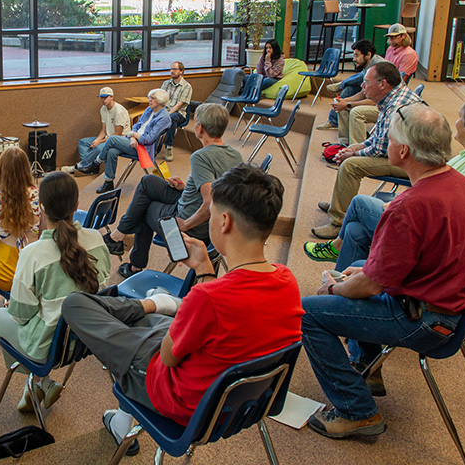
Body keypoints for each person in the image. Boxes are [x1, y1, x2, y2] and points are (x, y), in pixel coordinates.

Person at [62, 164, 303, 455]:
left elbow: (168, 356)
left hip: (179, 399)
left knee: (75, 305)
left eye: (211, 213)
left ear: (224, 221)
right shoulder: (287, 281)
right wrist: (204, 268)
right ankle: (149, 306)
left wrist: (197, 295)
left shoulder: (208, 298)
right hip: (242, 402)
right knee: (154, 319)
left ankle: (141, 312)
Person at [301, 103, 465, 439]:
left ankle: (356, 411)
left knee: (308, 312)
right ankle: (366, 366)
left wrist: (334, 288)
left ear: (403, 150)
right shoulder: (462, 185)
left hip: (426, 320)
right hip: (449, 305)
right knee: (357, 262)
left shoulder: (408, 207)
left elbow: (373, 286)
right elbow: (381, 274)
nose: (384, 142)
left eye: (388, 137)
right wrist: (354, 278)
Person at [304, 96, 465, 266]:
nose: (456, 122)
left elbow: (448, 215)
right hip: (429, 226)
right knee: (354, 230)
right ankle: (343, 289)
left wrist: (399, 207)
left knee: (359, 204)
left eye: (460, 117)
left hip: (434, 243)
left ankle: (337, 252)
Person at [0, 171, 111, 413]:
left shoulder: (32, 254)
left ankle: (37, 381)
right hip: (87, 339)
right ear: (77, 204)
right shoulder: (96, 239)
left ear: (41, 207)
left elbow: (21, 315)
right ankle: (39, 383)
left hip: (51, 347)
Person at [101, 103, 243, 279]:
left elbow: (211, 203)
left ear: (200, 128)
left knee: (144, 208)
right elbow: (218, 190)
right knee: (148, 181)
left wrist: (185, 224)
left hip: (191, 221)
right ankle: (119, 235)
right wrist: (187, 187)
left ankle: (134, 265)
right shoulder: (235, 155)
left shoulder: (201, 157)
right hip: (197, 208)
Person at [312, 61, 422, 239]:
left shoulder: (396, 107)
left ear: (382, 84)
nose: (363, 86)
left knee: (350, 165)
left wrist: (353, 153)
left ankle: (338, 222)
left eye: (366, 82)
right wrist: (358, 146)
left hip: (411, 163)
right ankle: (338, 204)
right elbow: (378, 137)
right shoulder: (391, 97)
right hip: (398, 154)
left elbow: (379, 149)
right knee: (349, 155)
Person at [0, 147, 41, 315]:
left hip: (5, 274)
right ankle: (16, 298)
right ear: (27, 169)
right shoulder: (40, 195)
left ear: (0, 170)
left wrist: (2, 236)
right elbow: (43, 234)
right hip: (35, 270)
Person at [78, 88, 172, 194]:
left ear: (160, 101)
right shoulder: (149, 110)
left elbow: (149, 139)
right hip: (134, 142)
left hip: (144, 149)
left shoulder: (164, 118)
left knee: (112, 139)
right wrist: (132, 137)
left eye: (152, 98)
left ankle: (96, 163)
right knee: (112, 151)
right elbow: (136, 125)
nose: (149, 100)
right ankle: (108, 182)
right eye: (149, 97)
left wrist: (132, 135)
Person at [317, 40, 386, 133]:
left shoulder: (378, 69)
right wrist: (344, 100)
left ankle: (355, 146)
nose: (354, 59)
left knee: (354, 111)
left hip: (386, 107)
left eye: (357, 55)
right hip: (377, 102)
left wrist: (347, 104)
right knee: (348, 90)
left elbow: (373, 101)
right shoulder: (370, 65)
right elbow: (363, 93)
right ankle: (337, 130)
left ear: (368, 55)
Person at [62, 86, 131, 175]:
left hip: (118, 140)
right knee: (83, 142)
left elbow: (118, 133)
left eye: (106, 97)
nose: (103, 100)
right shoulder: (103, 109)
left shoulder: (118, 111)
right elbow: (103, 130)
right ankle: (89, 167)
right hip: (107, 137)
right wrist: (97, 140)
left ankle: (79, 166)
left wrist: (100, 142)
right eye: (102, 97)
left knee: (98, 148)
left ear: (112, 97)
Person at [160, 62, 193, 162]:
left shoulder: (186, 86)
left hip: (179, 113)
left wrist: (167, 114)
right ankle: (152, 145)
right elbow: (160, 99)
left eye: (174, 69)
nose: (172, 71)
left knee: (171, 118)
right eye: (171, 69)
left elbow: (179, 105)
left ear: (181, 71)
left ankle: (168, 147)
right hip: (165, 111)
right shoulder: (166, 83)